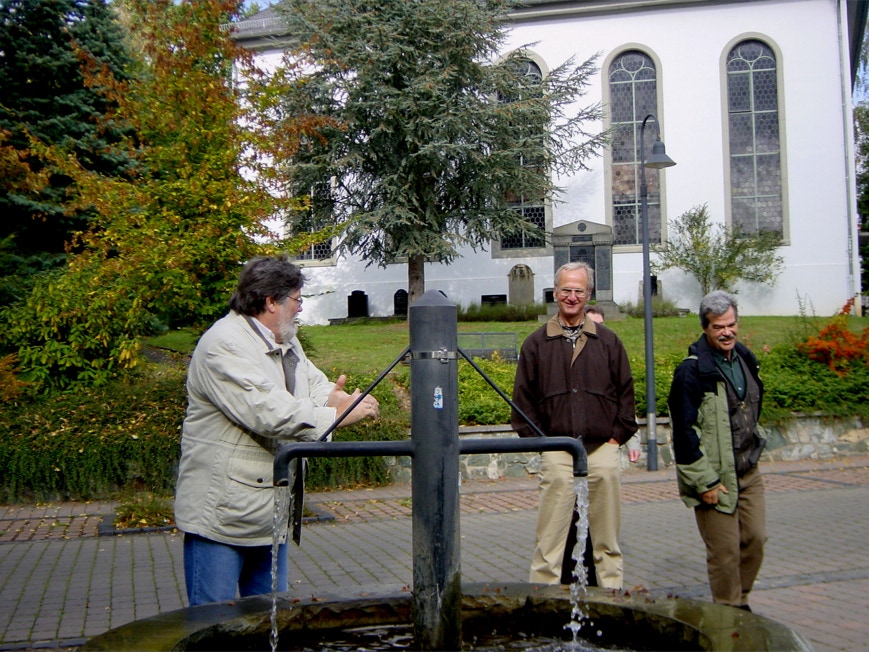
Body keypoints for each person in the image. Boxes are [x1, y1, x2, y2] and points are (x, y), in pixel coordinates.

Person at [174, 255, 380, 606]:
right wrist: (334, 415)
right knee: (213, 624)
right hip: (222, 516)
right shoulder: (223, 345)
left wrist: (336, 399)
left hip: (270, 512)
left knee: (271, 619)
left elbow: (313, 383)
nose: (300, 308)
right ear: (271, 301)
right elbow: (268, 412)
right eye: (297, 299)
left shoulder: (285, 340)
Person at [512, 262, 638, 588]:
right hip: (557, 450)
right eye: (566, 290)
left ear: (588, 294)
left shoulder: (608, 342)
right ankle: (543, 601)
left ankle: (611, 600)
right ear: (555, 293)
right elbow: (523, 403)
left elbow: (626, 395)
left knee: (607, 541)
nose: (572, 297)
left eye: (578, 291)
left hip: (601, 449)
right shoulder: (536, 343)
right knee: (549, 544)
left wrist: (615, 439)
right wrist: (544, 444)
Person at [668, 290, 766, 611]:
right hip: (714, 478)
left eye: (731, 324)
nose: (727, 332)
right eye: (718, 326)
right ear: (705, 327)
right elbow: (683, 432)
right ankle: (729, 611)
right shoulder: (691, 372)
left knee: (755, 541)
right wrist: (704, 481)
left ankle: (741, 601)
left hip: (748, 473)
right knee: (725, 554)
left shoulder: (746, 359)